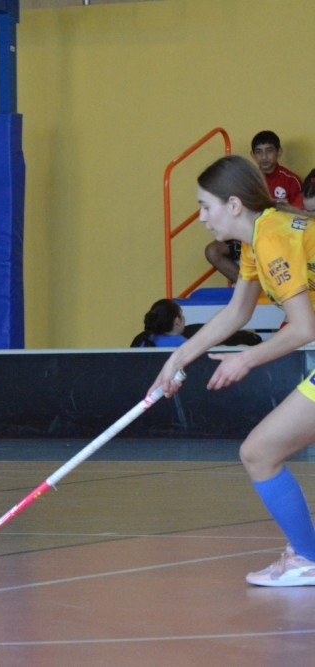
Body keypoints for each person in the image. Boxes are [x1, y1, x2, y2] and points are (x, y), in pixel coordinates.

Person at [151, 154, 315, 586]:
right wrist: (177, 359)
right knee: (260, 452)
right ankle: (308, 555)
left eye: (206, 206)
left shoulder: (272, 237)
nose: (202, 217)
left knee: (259, 452)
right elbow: (237, 312)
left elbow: (303, 328)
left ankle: (308, 558)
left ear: (235, 204)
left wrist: (246, 358)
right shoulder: (259, 239)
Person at [205, 131, 303, 282]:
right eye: (259, 152)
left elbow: (299, 214)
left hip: (277, 235)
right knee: (213, 251)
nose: (264, 157)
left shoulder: (291, 180)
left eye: (269, 151)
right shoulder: (245, 180)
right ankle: (251, 287)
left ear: (279, 152)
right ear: (252, 155)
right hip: (247, 234)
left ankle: (269, 287)